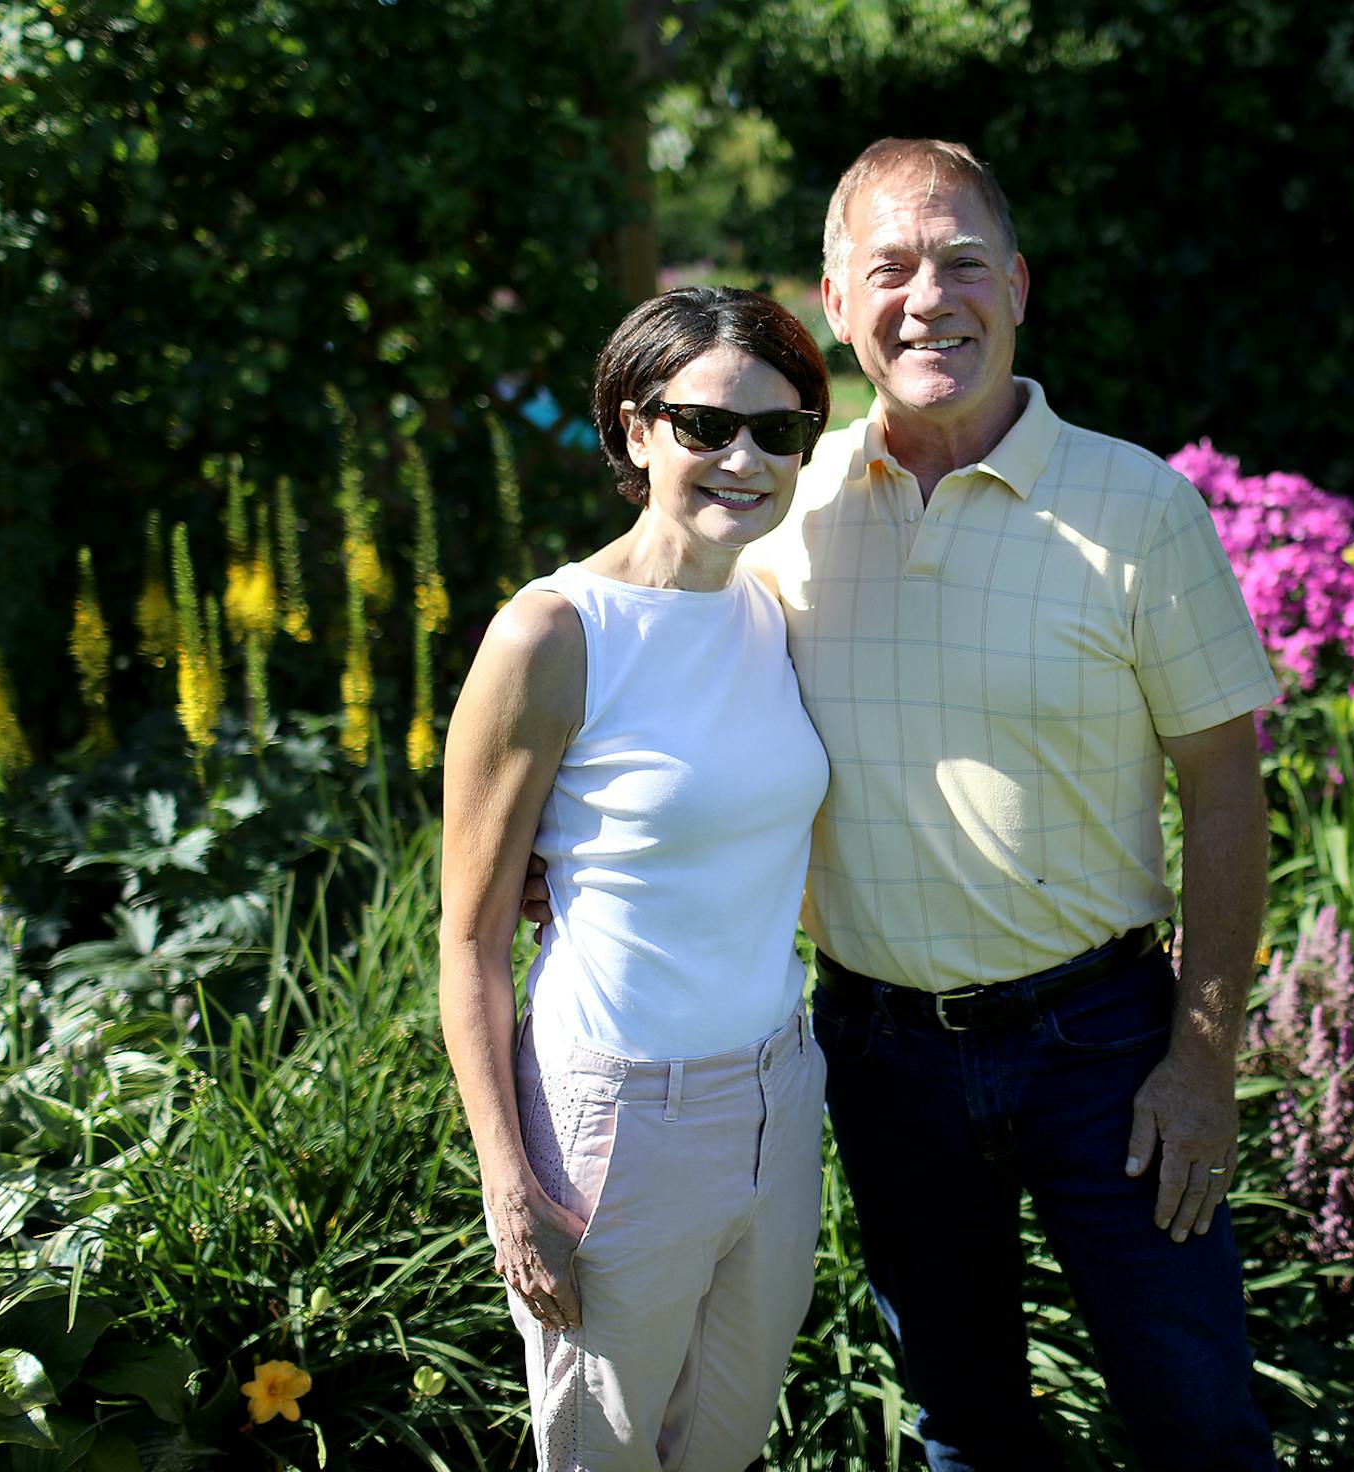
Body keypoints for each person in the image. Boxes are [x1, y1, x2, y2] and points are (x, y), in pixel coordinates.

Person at [528, 138, 1284, 1470]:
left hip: (1104, 1043)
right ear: (836, 300)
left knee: (1196, 1421)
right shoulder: (783, 502)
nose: (928, 297)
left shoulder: (1141, 509)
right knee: (962, 1427)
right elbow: (653, 648)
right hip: (882, 1055)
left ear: (1020, 286)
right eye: (890, 268)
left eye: (962, 262)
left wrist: (1202, 1061)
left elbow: (1227, 795)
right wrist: (556, 824)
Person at [439, 286, 833, 1472]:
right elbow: (466, 942)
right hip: (617, 1117)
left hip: (778, 1093)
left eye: (779, 430)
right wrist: (511, 1187)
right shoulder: (553, 635)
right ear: (632, 429)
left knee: (720, 1447)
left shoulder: (769, 606)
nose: (744, 458)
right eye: (706, 425)